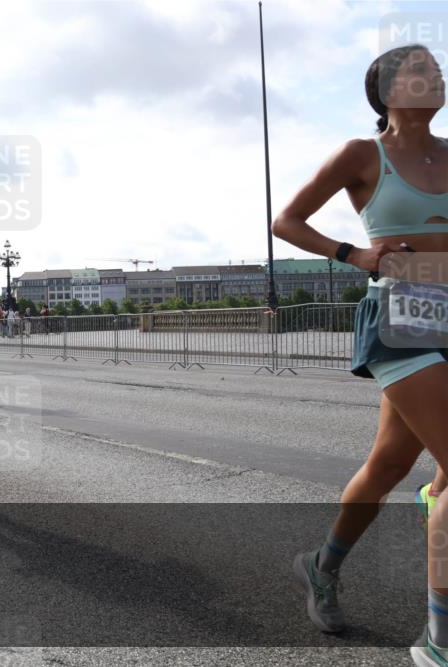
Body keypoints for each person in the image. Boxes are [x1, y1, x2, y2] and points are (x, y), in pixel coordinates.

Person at [271, 45, 447, 663]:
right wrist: (358, 255)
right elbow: (287, 221)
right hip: (404, 316)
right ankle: (440, 641)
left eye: (440, 68)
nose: (437, 76)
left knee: (391, 464)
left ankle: (322, 565)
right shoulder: (361, 155)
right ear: (388, 88)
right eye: (422, 69)